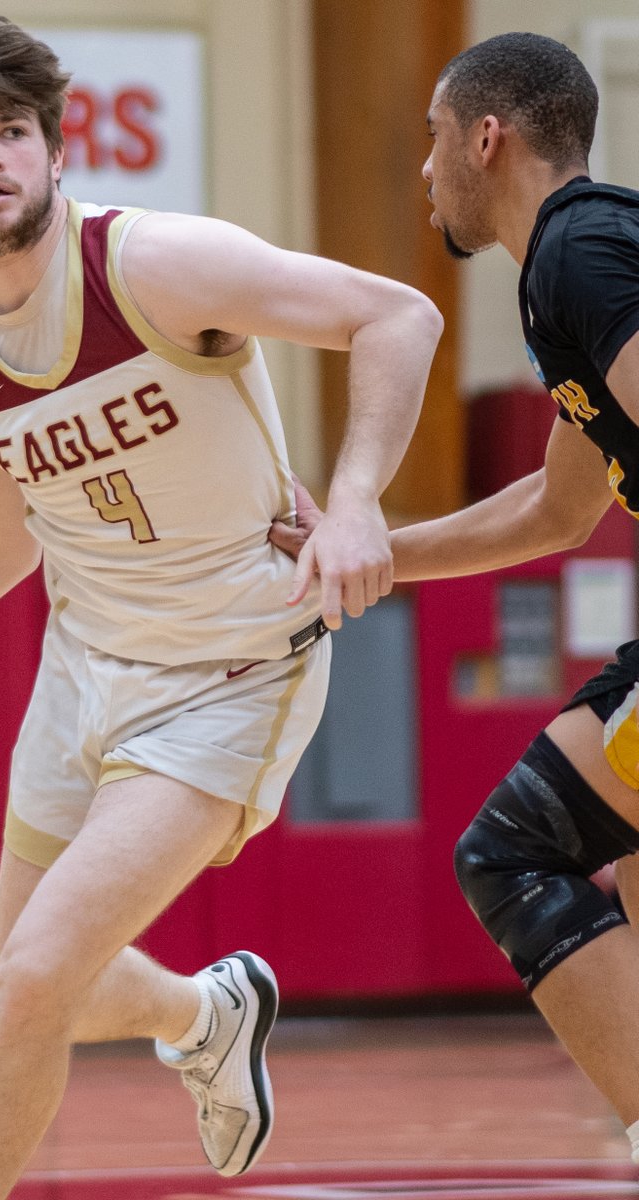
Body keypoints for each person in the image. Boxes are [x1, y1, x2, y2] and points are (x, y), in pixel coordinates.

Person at [0, 14, 440, 1197]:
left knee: (37, 975)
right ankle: (206, 1016)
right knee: (34, 973)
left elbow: (397, 315)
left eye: (12, 132)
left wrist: (359, 498)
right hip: (84, 673)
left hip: (230, 677)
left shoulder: (152, 263)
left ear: (58, 151)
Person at [274, 30, 639, 1163]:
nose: (425, 170)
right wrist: (358, 548)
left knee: (518, 847)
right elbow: (554, 512)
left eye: (434, 140)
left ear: (488, 138)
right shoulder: (570, 270)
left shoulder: (581, 251)